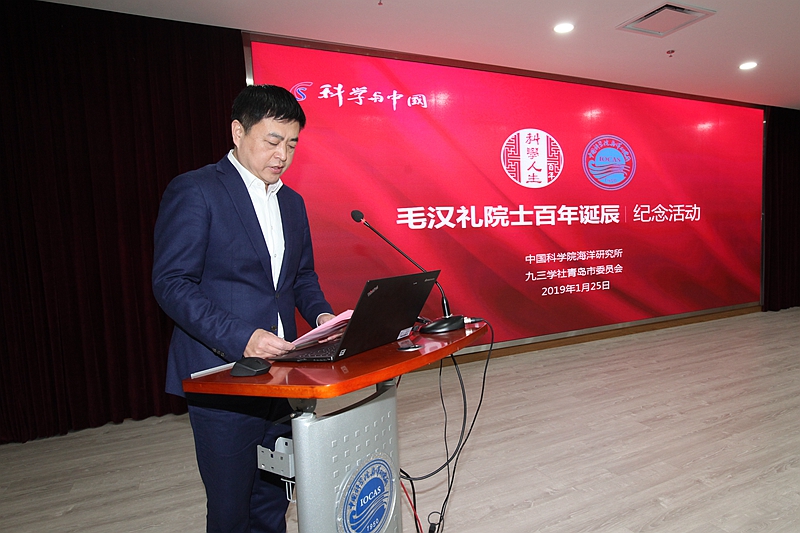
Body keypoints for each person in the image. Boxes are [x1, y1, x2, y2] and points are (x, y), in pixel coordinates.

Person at [152, 84, 335, 533]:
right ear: (238, 131)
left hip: (283, 374)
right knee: (231, 508)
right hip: (223, 376)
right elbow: (172, 284)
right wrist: (243, 337)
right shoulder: (196, 190)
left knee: (273, 499)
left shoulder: (292, 203)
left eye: (292, 144)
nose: (282, 155)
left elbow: (301, 278)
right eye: (272, 141)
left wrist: (324, 317)